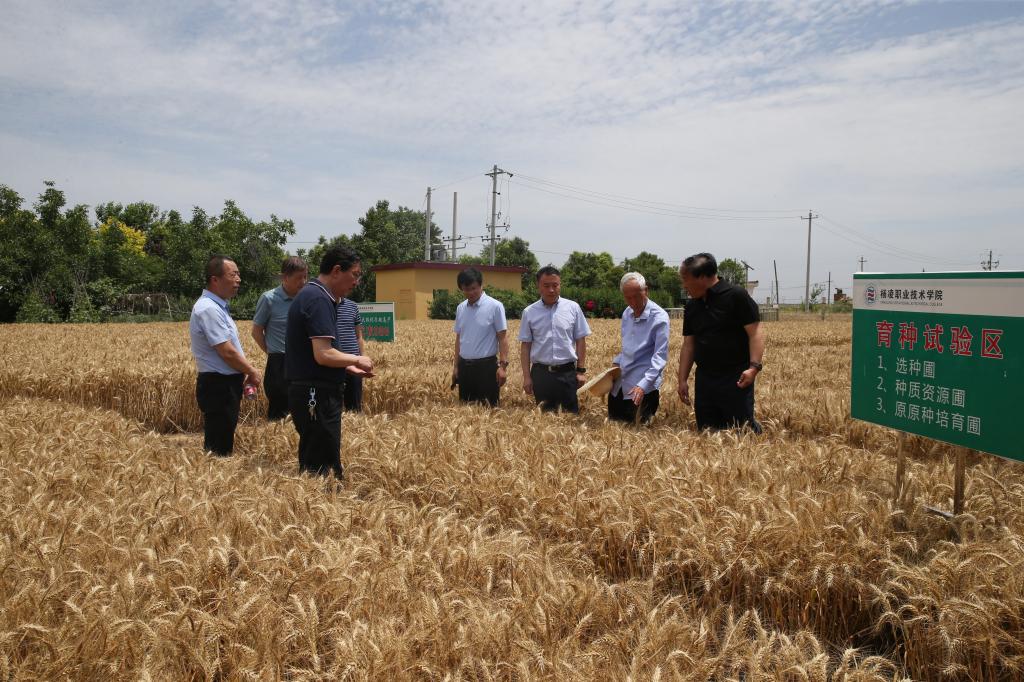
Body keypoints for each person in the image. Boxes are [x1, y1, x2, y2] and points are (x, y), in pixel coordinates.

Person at [285, 246, 374, 480]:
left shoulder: (313, 295)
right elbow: (323, 354)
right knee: (323, 470)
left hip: (310, 391)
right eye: (354, 274)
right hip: (317, 394)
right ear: (336, 271)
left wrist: (347, 366)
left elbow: (315, 353)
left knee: (317, 464)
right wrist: (357, 358)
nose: (356, 282)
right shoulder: (318, 299)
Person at [677, 252, 765, 433]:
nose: (684, 285)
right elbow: (689, 345)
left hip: (735, 378)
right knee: (707, 433)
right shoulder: (692, 306)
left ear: (702, 277)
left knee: (741, 431)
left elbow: (755, 333)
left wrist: (754, 368)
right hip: (705, 379)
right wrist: (682, 379)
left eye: (685, 279)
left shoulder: (736, 296)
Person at [189, 255, 262, 456]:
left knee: (221, 441)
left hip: (223, 385)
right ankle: (213, 476)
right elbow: (226, 351)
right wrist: (251, 371)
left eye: (238, 274)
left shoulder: (217, 306)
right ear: (215, 279)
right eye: (233, 274)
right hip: (218, 386)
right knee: (218, 449)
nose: (239, 279)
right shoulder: (209, 309)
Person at [519, 266, 591, 413]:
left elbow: (580, 340)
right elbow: (525, 346)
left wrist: (580, 371)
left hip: (567, 373)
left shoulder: (573, 308)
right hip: (541, 375)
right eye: (546, 286)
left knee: (571, 418)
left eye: (555, 285)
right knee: (544, 420)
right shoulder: (529, 312)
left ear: (560, 285)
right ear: (538, 286)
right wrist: (527, 377)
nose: (551, 290)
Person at [608, 272, 670, 425]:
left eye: (636, 296)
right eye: (628, 298)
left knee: (639, 433)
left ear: (646, 291)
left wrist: (643, 386)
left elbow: (660, 357)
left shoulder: (659, 318)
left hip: (642, 389)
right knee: (614, 430)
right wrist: (616, 363)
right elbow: (626, 346)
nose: (633, 302)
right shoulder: (627, 313)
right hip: (620, 386)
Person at [252, 256, 308, 420]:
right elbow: (256, 332)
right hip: (279, 363)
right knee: (279, 412)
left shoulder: (306, 298)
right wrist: (271, 352)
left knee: (303, 411)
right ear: (285, 277)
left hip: (304, 361)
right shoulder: (269, 299)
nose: (303, 282)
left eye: (305, 277)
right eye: (299, 278)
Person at [452, 267, 509, 407]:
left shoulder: (495, 306)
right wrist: (456, 367)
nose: (471, 292)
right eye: (466, 289)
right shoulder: (461, 308)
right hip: (465, 368)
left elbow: (502, 338)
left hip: (487, 369)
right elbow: (459, 339)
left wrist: (503, 367)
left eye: (474, 288)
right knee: (465, 411)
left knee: (489, 411)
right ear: (461, 289)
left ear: (481, 285)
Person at [335, 296, 365, 411]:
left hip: (354, 362)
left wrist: (362, 358)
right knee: (333, 405)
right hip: (333, 363)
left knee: (355, 406)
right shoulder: (324, 305)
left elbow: (359, 336)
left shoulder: (352, 306)